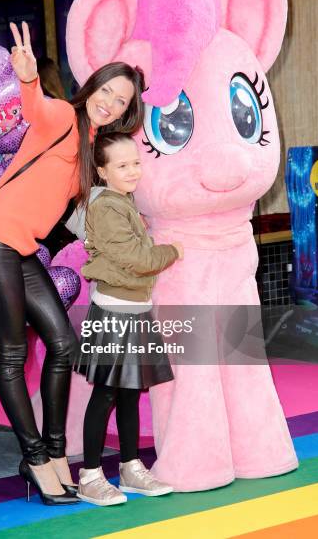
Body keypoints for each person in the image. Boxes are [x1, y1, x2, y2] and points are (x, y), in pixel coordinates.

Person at [0, 21, 145, 506]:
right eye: (106, 90)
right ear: (91, 88)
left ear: (127, 112)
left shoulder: (93, 147)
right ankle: (36, 459)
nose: (109, 101)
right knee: (12, 355)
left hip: (20, 247)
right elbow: (37, 109)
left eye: (121, 100)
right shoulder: (64, 115)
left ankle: (55, 451)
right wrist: (27, 78)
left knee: (63, 344)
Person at [74, 132, 184, 506]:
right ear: (102, 172)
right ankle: (89, 475)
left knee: (129, 392)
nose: (133, 170)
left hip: (134, 309)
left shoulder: (122, 201)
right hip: (114, 311)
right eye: (122, 166)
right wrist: (174, 249)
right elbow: (138, 260)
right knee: (107, 392)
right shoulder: (106, 207)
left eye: (136, 162)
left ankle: (130, 467)